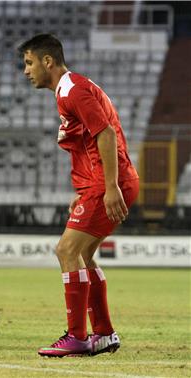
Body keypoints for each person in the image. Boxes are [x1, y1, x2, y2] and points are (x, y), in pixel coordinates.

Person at [18, 34, 139, 357]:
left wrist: (109, 186)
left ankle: (77, 336)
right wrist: (86, 189)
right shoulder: (70, 89)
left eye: (29, 63)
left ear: (48, 61)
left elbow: (106, 133)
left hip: (109, 182)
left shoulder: (73, 91)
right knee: (82, 256)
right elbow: (92, 139)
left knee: (66, 250)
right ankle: (103, 334)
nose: (26, 71)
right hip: (101, 183)